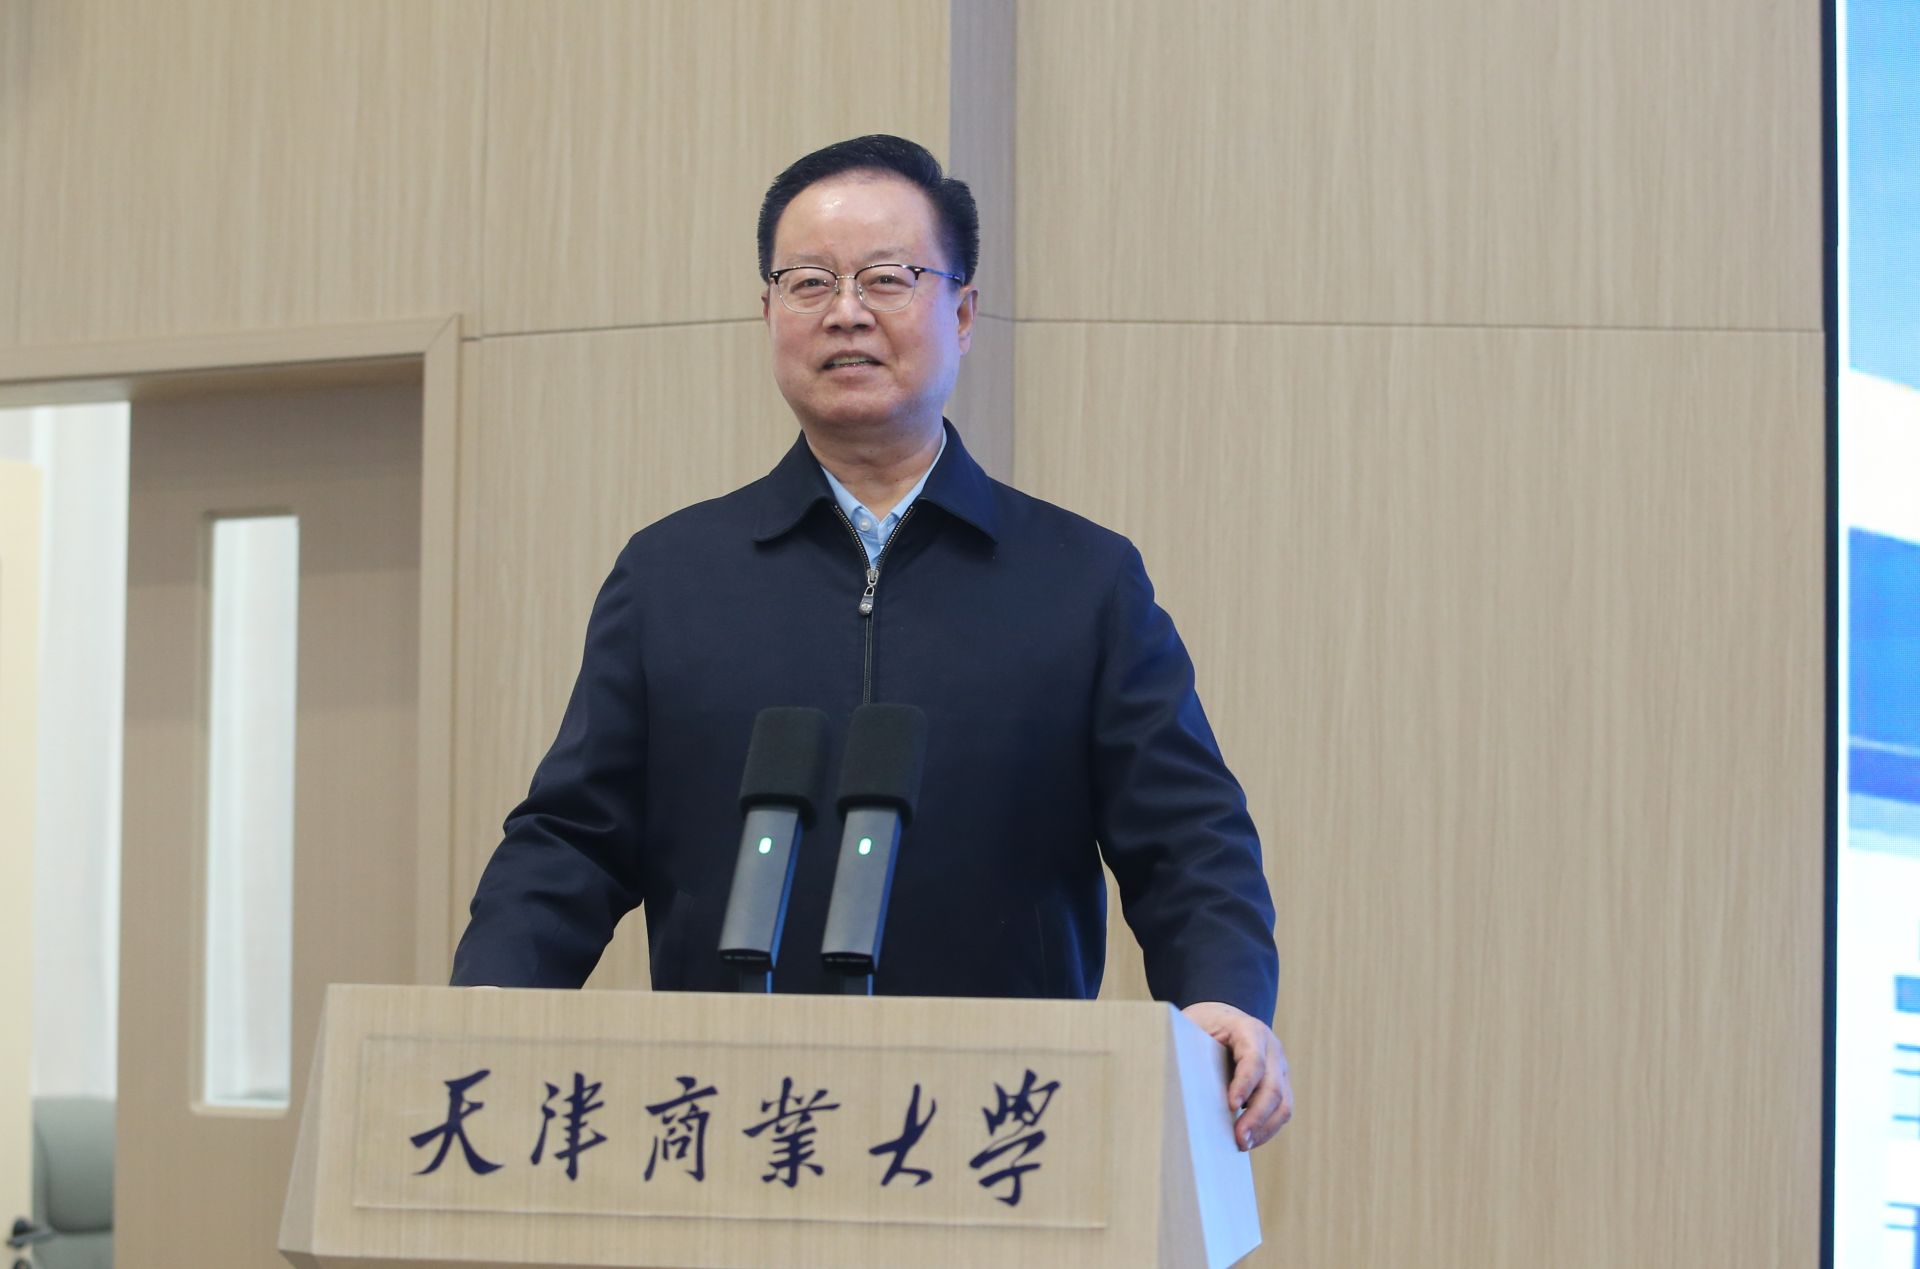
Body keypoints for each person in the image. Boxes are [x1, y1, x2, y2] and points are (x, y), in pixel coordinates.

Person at [452, 135, 1293, 1150]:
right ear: (769, 313)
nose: (845, 311)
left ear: (964, 313)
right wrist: (485, 1007)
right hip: (730, 1124)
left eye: (887, 278)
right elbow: (573, 838)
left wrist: (1222, 997)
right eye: (808, 282)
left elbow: (1189, 838)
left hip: (1002, 1130)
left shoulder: (1081, 580)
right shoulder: (672, 575)